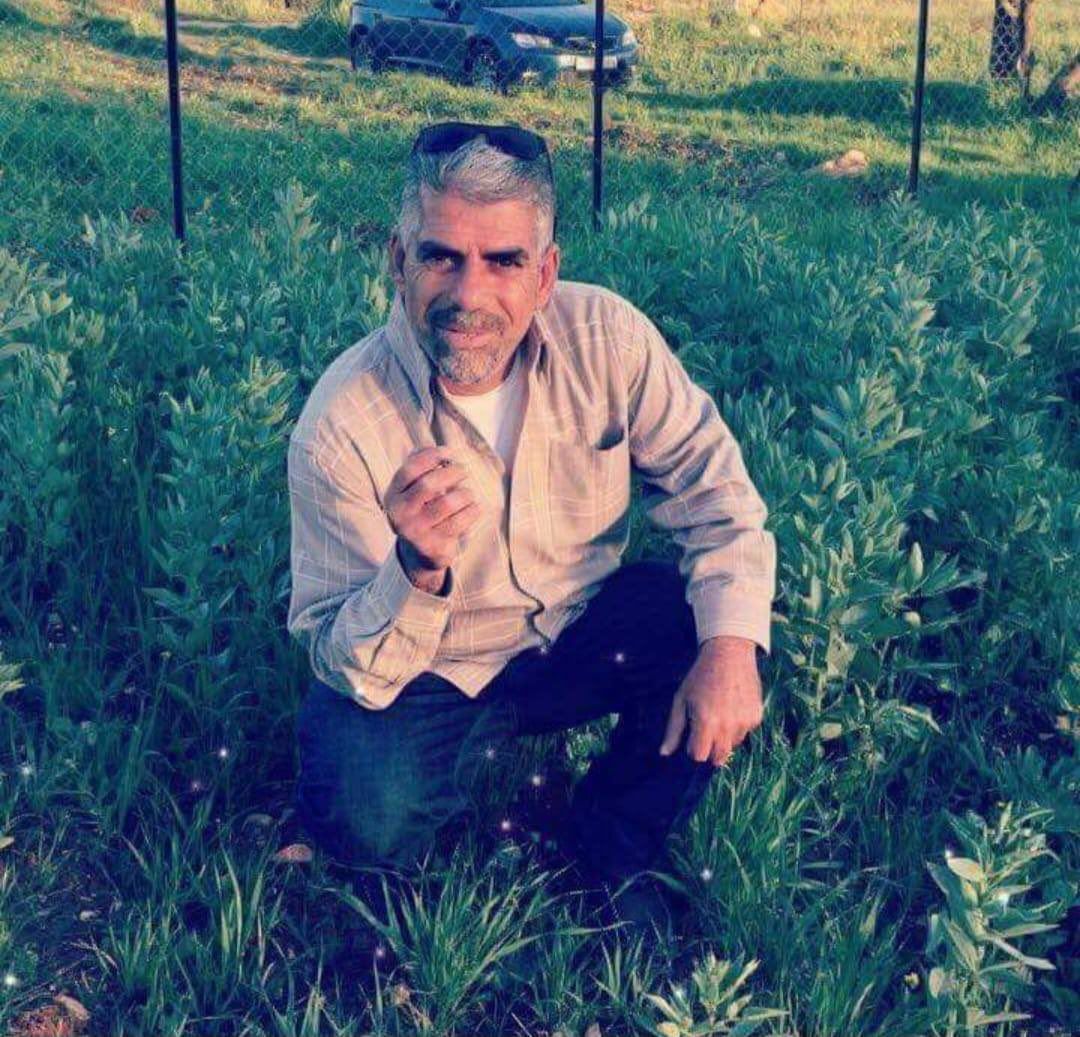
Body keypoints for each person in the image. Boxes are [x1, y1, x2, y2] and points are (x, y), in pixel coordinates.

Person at [286, 121, 777, 945]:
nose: (470, 294)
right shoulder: (342, 424)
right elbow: (340, 659)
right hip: (434, 667)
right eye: (441, 256)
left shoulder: (609, 340)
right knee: (362, 814)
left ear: (546, 274)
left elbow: (717, 492)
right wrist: (415, 568)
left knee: (721, 627)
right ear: (398, 263)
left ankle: (609, 844)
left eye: (504, 261)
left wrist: (729, 649)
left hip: (580, 631)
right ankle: (431, 844)